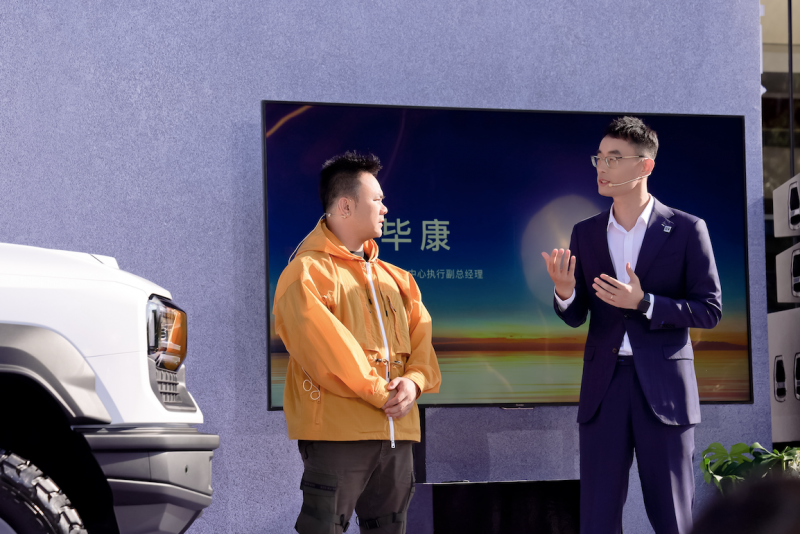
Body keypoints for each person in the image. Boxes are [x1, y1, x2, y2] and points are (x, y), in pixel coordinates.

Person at [542, 117, 722, 534]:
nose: (602, 167)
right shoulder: (585, 233)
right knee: (597, 518)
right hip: (604, 389)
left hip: (665, 390)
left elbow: (709, 310)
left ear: (645, 166)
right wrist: (565, 292)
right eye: (599, 158)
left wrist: (645, 303)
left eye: (614, 158)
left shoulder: (687, 229)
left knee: (673, 518)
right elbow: (577, 315)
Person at [274, 151, 441, 534]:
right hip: (338, 436)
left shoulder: (399, 279)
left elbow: (423, 344)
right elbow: (326, 351)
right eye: (377, 199)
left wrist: (414, 383)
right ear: (346, 206)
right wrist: (384, 393)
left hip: (397, 435)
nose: (385, 208)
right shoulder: (305, 273)